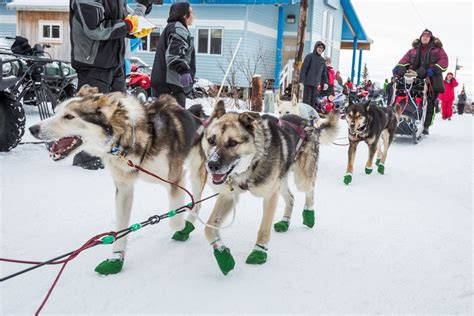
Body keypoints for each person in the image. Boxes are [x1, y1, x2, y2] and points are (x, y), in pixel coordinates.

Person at [68, 0, 153, 169]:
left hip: (115, 62)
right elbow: (95, 29)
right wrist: (128, 25)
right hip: (94, 64)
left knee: (117, 113)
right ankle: (87, 158)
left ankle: (112, 152)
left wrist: (142, 8)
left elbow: (126, 23)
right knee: (93, 114)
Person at [392, 29, 448, 135]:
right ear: (420, 37)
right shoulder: (412, 51)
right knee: (404, 95)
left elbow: (444, 62)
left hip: (431, 80)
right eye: (423, 35)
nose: (425, 37)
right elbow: (403, 61)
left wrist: (433, 70)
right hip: (414, 79)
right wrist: (397, 69)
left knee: (430, 102)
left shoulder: (438, 50)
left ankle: (426, 126)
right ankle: (402, 117)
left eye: (427, 36)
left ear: (431, 38)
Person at [151, 2, 195, 108]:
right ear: (185, 15)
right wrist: (184, 70)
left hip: (165, 85)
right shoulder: (179, 30)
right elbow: (174, 56)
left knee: (164, 121)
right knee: (176, 122)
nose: (193, 15)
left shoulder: (171, 28)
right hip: (172, 87)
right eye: (192, 12)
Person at [298, 41, 327, 109]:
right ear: (316, 47)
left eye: (322, 48)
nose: (320, 49)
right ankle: (304, 116)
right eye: (319, 47)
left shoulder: (322, 60)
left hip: (316, 85)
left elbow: (324, 73)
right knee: (306, 101)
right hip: (307, 83)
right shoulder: (309, 56)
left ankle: (311, 116)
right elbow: (304, 69)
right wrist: (301, 81)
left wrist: (325, 82)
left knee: (313, 102)